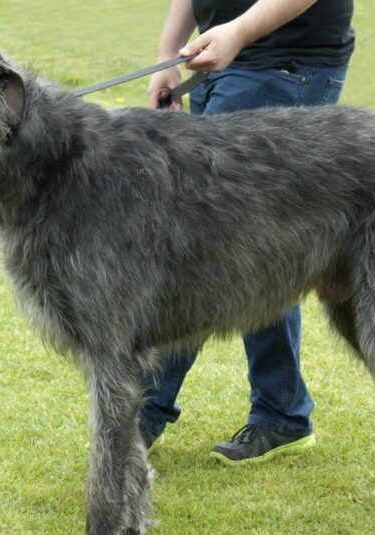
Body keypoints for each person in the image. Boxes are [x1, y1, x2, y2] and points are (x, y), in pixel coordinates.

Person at [142, 0, 355, 464]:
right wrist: (167, 58)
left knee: (208, 253)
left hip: (283, 65)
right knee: (255, 250)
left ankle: (140, 415)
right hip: (220, 59)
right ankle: (283, 411)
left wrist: (238, 31)